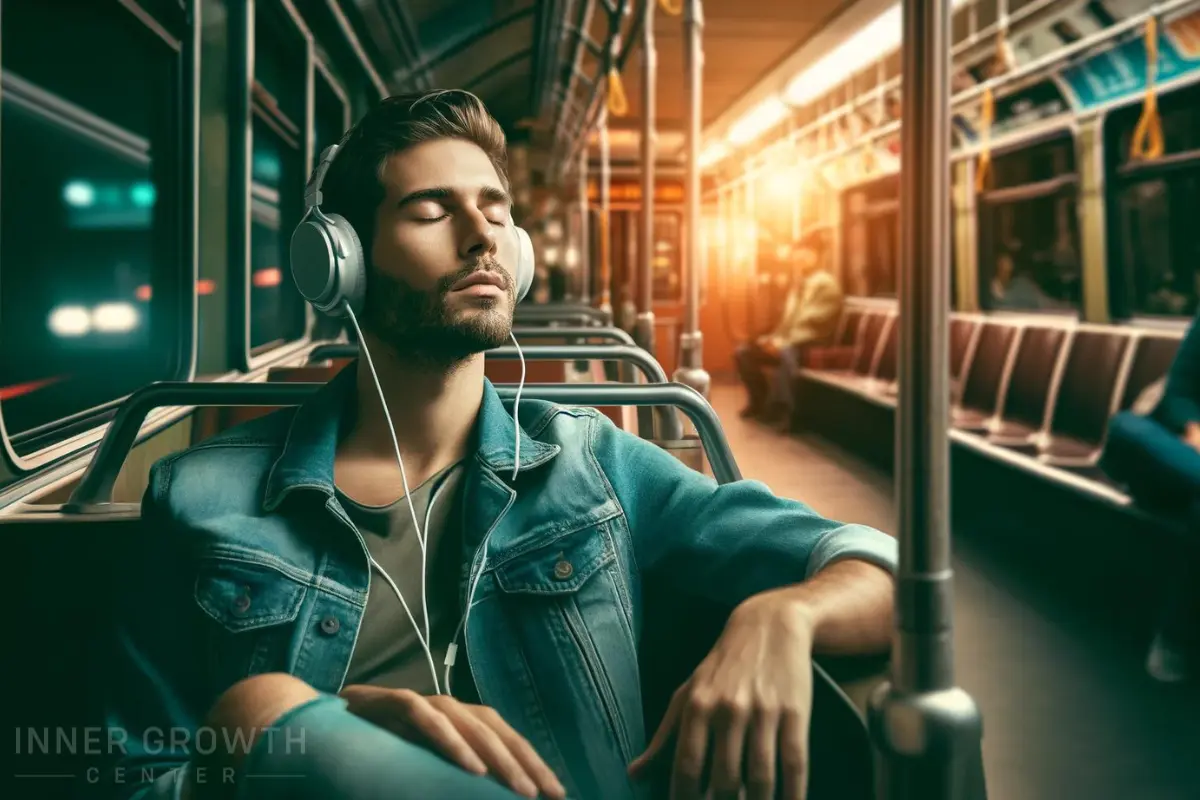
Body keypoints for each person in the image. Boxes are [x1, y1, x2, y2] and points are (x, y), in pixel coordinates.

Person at [103, 90, 898, 800]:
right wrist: (308, 733)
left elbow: (877, 570)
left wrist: (781, 617)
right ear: (339, 262)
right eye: (431, 211)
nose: (482, 235)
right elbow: (131, 777)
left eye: (495, 208)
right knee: (261, 707)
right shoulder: (202, 498)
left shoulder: (595, 467)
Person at [1102, 312, 1200, 683]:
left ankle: (1177, 639)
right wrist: (1194, 431)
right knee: (1126, 428)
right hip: (1180, 451)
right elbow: (1182, 390)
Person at [733, 238, 843, 422]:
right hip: (790, 339)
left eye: (805, 253)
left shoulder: (826, 284)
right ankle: (759, 402)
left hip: (812, 343)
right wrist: (772, 339)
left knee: (787, 354)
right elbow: (789, 322)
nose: (799, 258)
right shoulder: (800, 284)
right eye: (798, 253)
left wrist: (781, 343)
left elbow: (812, 323)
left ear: (817, 256)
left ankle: (786, 411)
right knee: (744, 352)